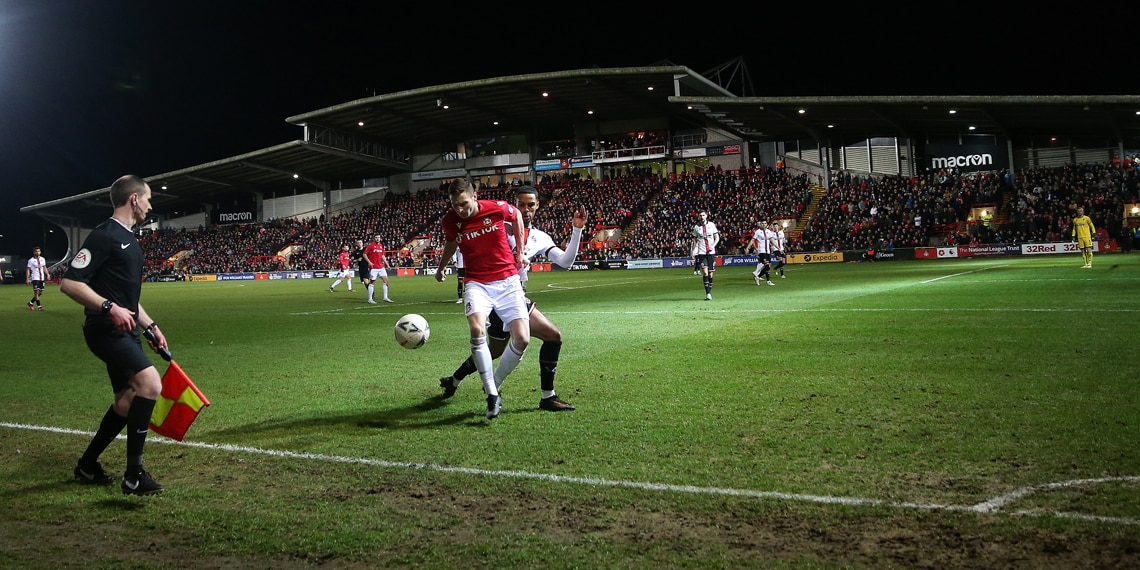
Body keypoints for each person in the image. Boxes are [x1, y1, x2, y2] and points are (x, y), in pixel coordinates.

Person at [59, 174, 170, 496]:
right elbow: (71, 283)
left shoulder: (130, 240)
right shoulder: (104, 236)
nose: (150, 206)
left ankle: (87, 465)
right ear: (133, 199)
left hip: (126, 329)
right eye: (148, 198)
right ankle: (134, 474)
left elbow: (128, 296)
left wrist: (149, 325)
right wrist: (110, 308)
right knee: (150, 385)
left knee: (125, 401)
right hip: (106, 330)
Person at [440, 185, 586, 411]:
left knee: (495, 350)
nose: (526, 209)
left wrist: (577, 230)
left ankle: (455, 380)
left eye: (531, 205)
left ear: (538, 206)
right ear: (514, 205)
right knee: (551, 336)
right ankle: (539, 395)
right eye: (521, 204)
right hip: (499, 291)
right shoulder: (498, 223)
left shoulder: (539, 237)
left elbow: (565, 262)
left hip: (513, 293)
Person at [435, 178, 528, 420]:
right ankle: (491, 394)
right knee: (477, 329)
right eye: (455, 205)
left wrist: (520, 251)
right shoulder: (450, 221)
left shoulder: (496, 207)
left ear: (474, 197)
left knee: (522, 339)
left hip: (508, 280)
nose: (460, 210)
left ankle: (495, 382)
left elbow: (517, 215)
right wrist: (441, 267)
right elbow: (450, 243)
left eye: (464, 204)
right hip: (477, 282)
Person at [692, 210, 719, 300]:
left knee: (711, 273)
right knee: (705, 272)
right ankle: (707, 293)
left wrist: (713, 246)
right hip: (701, 252)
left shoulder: (711, 225)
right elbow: (695, 240)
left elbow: (717, 238)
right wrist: (693, 251)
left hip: (711, 252)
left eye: (703, 215)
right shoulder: (696, 227)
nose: (702, 217)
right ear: (698, 217)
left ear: (706, 216)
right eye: (700, 215)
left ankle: (709, 291)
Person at [364, 233, 392, 303]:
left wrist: (387, 264)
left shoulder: (381, 245)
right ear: (374, 238)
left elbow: (382, 255)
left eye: (378, 237)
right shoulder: (371, 245)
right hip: (373, 267)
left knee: (386, 280)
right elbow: (364, 254)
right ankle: (370, 299)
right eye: (376, 237)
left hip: (381, 267)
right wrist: (369, 262)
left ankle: (385, 297)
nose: (377, 238)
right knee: (372, 282)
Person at [748, 220, 777, 286]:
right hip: (761, 251)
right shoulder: (757, 232)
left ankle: (759, 277)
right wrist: (748, 247)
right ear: (760, 224)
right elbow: (752, 240)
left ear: (767, 224)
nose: (764, 224)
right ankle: (765, 279)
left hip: (768, 251)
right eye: (762, 223)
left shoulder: (768, 232)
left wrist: (778, 248)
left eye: (765, 223)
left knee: (768, 266)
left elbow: (772, 240)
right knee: (766, 264)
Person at [26, 246, 48, 310]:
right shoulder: (31, 260)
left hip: (42, 278)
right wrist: (27, 278)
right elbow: (28, 269)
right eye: (36, 251)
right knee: (36, 292)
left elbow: (44, 267)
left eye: (38, 251)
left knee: (40, 292)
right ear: (34, 252)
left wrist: (48, 274)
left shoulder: (43, 259)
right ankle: (39, 306)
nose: (37, 252)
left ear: (40, 252)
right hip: (35, 277)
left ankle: (30, 303)